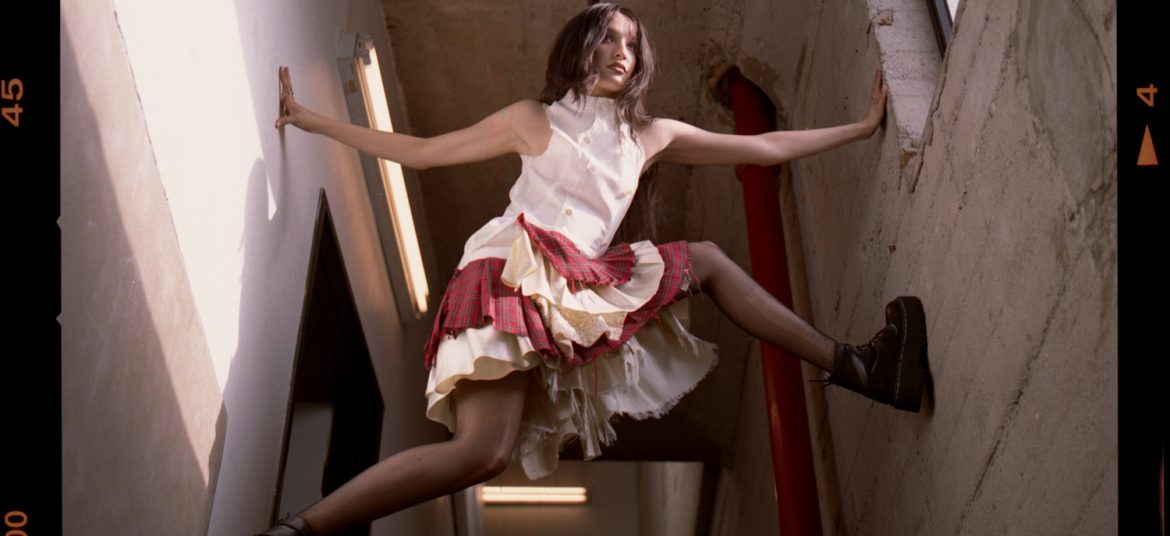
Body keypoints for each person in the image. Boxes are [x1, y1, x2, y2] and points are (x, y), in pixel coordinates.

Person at [262, 3, 928, 535]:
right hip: (510, 272)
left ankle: (862, 368)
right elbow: (424, 152)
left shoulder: (650, 136)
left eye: (632, 43)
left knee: (707, 261)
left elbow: (762, 147)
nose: (621, 51)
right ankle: (302, 528)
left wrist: (859, 127)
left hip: (581, 276)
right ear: (580, 46)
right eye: (608, 37)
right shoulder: (534, 120)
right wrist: (315, 120)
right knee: (482, 454)